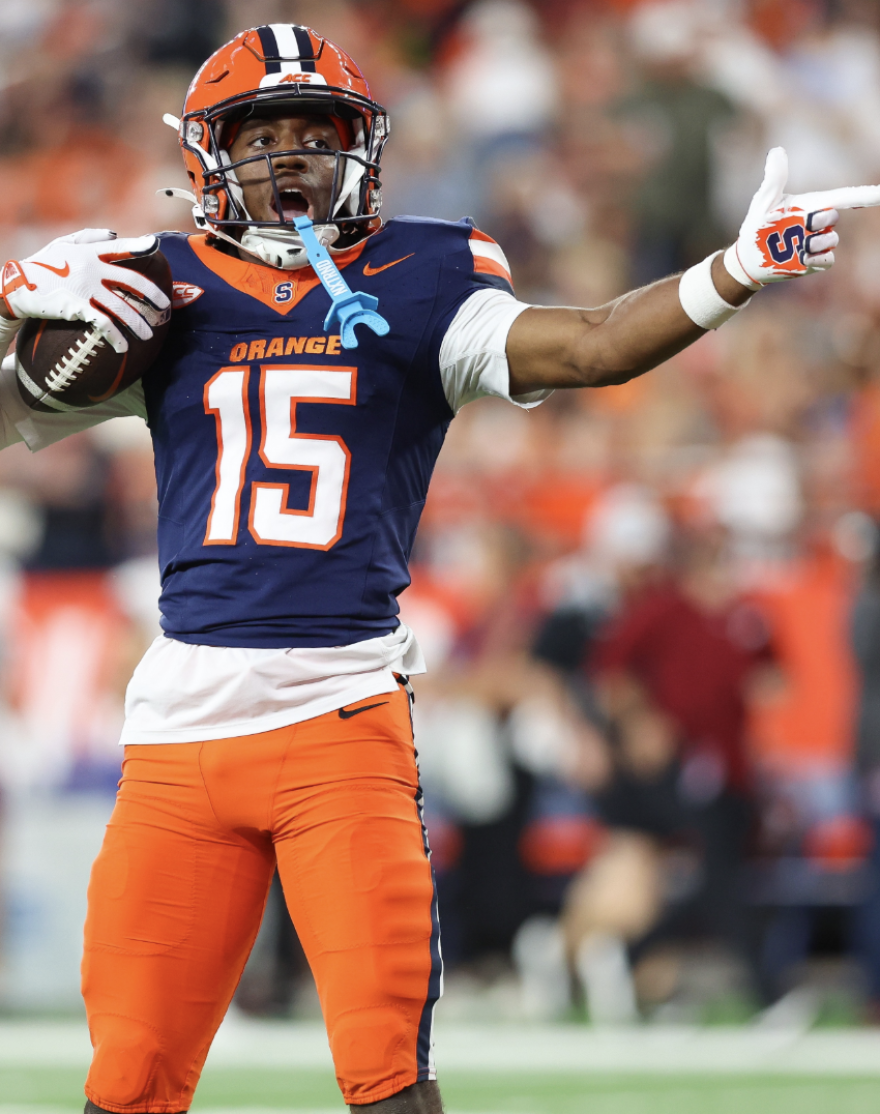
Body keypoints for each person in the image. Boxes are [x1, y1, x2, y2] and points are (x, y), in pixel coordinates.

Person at [0, 22, 876, 1114]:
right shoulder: (157, 291)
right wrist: (18, 315)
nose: (288, 157)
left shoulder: (421, 277)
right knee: (126, 1082)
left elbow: (593, 341)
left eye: (312, 132)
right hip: (180, 733)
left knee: (386, 1078)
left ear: (357, 146)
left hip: (338, 723)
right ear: (208, 157)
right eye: (260, 134)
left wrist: (736, 268)